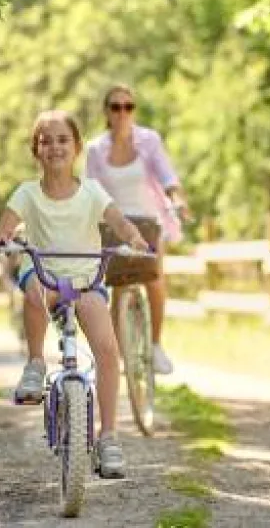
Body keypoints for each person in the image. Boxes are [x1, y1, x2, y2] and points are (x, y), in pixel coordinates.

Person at [0, 109, 151, 479]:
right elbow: (7, 226)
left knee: (108, 351)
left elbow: (119, 222)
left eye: (63, 140)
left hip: (86, 281)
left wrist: (134, 239)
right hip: (45, 275)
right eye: (46, 141)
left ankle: (108, 437)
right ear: (36, 150)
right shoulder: (27, 193)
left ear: (77, 147)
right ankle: (35, 364)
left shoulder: (91, 192)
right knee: (33, 293)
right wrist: (0, 238)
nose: (55, 147)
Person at [85, 85, 192, 375]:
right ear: (107, 112)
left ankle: (155, 346)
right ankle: (116, 357)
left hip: (149, 222)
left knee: (154, 279)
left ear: (134, 110)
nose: (122, 112)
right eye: (116, 107)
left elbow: (167, 177)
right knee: (118, 286)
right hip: (115, 224)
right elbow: (90, 189)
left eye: (128, 106)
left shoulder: (149, 141)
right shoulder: (95, 149)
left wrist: (178, 201)